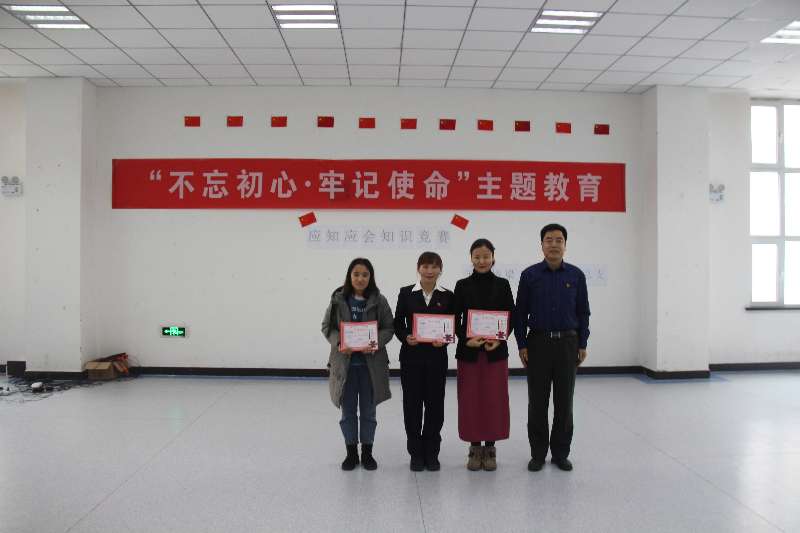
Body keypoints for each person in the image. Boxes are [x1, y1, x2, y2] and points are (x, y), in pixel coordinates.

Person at [514, 223, 590, 473]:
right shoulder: (530, 275)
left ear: (565, 245)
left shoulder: (576, 275)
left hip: (568, 343)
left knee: (564, 402)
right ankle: (538, 454)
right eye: (549, 240)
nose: (554, 244)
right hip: (537, 344)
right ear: (542, 245)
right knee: (537, 402)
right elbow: (520, 313)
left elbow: (583, 312)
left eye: (559, 240)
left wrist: (583, 343)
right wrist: (522, 344)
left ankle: (560, 453)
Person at [321, 258, 394, 471]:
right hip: (345, 367)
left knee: (369, 412)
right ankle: (351, 453)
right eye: (356, 274)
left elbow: (389, 328)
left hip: (371, 367)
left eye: (365, 274)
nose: (360, 278)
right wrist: (339, 342)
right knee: (348, 413)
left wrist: (376, 342)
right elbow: (327, 327)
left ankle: (368, 453)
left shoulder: (379, 300)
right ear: (349, 276)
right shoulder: (338, 300)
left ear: (370, 277)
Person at [453, 238, 515, 471]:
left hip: (495, 352)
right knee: (470, 400)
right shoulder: (462, 285)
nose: (481, 260)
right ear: (471, 258)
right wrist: (466, 338)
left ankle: (490, 448)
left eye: (486, 256)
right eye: (477, 256)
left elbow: (511, 316)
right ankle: (474, 447)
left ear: (493, 258)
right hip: (469, 352)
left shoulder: (503, 284)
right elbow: (455, 318)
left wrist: (499, 339)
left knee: (494, 399)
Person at [394, 251, 455, 472]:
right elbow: (397, 323)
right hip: (411, 358)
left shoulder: (448, 295)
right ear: (418, 268)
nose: (429, 271)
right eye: (425, 266)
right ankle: (416, 453)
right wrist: (405, 337)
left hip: (437, 359)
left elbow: (452, 326)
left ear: (440, 270)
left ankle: (432, 452)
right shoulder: (406, 293)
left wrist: (445, 340)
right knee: (412, 405)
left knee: (435, 406)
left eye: (434, 266)